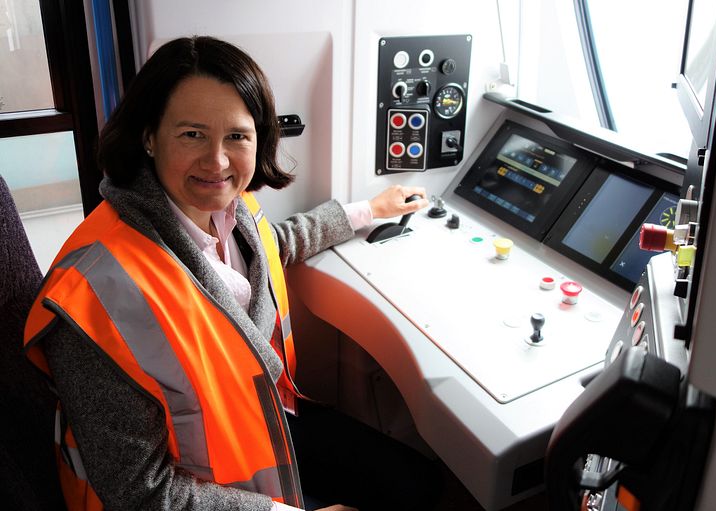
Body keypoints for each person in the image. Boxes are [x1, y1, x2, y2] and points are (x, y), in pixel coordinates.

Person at [23, 36, 433, 511]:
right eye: (192, 134)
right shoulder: (95, 299)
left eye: (236, 136)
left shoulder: (231, 211)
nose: (217, 162)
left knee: (418, 485)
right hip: (194, 486)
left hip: (261, 429)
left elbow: (269, 248)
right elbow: (141, 495)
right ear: (149, 137)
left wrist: (366, 210)